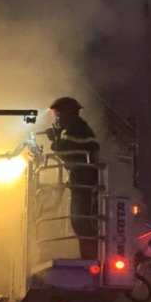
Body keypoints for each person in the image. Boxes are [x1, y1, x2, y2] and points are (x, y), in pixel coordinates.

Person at [47, 96, 100, 259]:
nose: (56, 119)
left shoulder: (75, 128)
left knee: (81, 220)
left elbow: (66, 150)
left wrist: (55, 139)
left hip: (84, 179)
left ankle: (90, 256)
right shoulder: (78, 127)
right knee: (80, 221)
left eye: (57, 114)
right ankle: (88, 255)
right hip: (83, 178)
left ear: (66, 113)